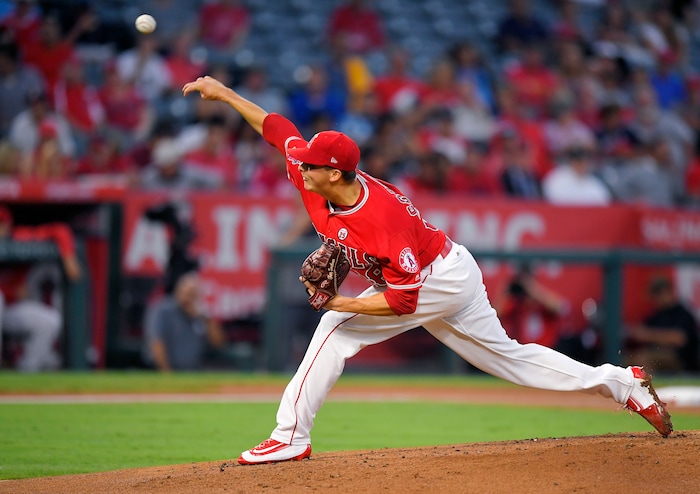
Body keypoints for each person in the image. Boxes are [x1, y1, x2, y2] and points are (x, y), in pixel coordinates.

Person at [182, 75, 673, 465]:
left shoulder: (381, 222)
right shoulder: (317, 180)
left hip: (436, 279)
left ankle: (289, 436)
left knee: (334, 328)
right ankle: (620, 382)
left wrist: (341, 303)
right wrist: (224, 94)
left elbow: (404, 302)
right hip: (449, 268)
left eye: (311, 165)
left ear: (335, 173)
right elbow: (278, 130)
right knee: (511, 360)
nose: (300, 169)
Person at [0, 205, 81, 371]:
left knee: (50, 321)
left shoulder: (17, 237)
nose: (3, 229)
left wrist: (68, 255)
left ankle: (26, 373)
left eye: (3, 224)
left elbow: (59, 230)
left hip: (9, 311)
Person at [142, 272, 226, 372]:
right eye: (185, 292)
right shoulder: (162, 309)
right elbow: (156, 343)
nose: (187, 297)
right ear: (177, 290)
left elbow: (218, 343)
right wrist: (167, 374)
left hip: (191, 372)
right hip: (161, 372)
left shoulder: (200, 316)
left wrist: (204, 316)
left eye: (192, 294)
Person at [625, 276, 700, 373]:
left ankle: (649, 388)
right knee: (627, 359)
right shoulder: (657, 315)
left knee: (643, 358)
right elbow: (639, 331)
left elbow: (678, 338)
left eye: (658, 294)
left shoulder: (682, 313)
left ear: (666, 292)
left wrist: (647, 335)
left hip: (681, 359)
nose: (655, 299)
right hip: (657, 354)